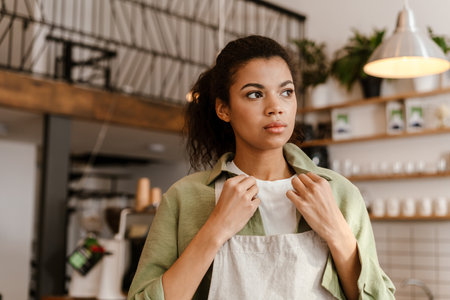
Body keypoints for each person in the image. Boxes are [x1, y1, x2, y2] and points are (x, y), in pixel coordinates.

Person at [128, 35, 395, 300]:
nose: (275, 107)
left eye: (286, 92)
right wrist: (215, 230)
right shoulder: (184, 198)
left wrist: (337, 232)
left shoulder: (339, 193)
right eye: (255, 94)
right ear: (224, 109)